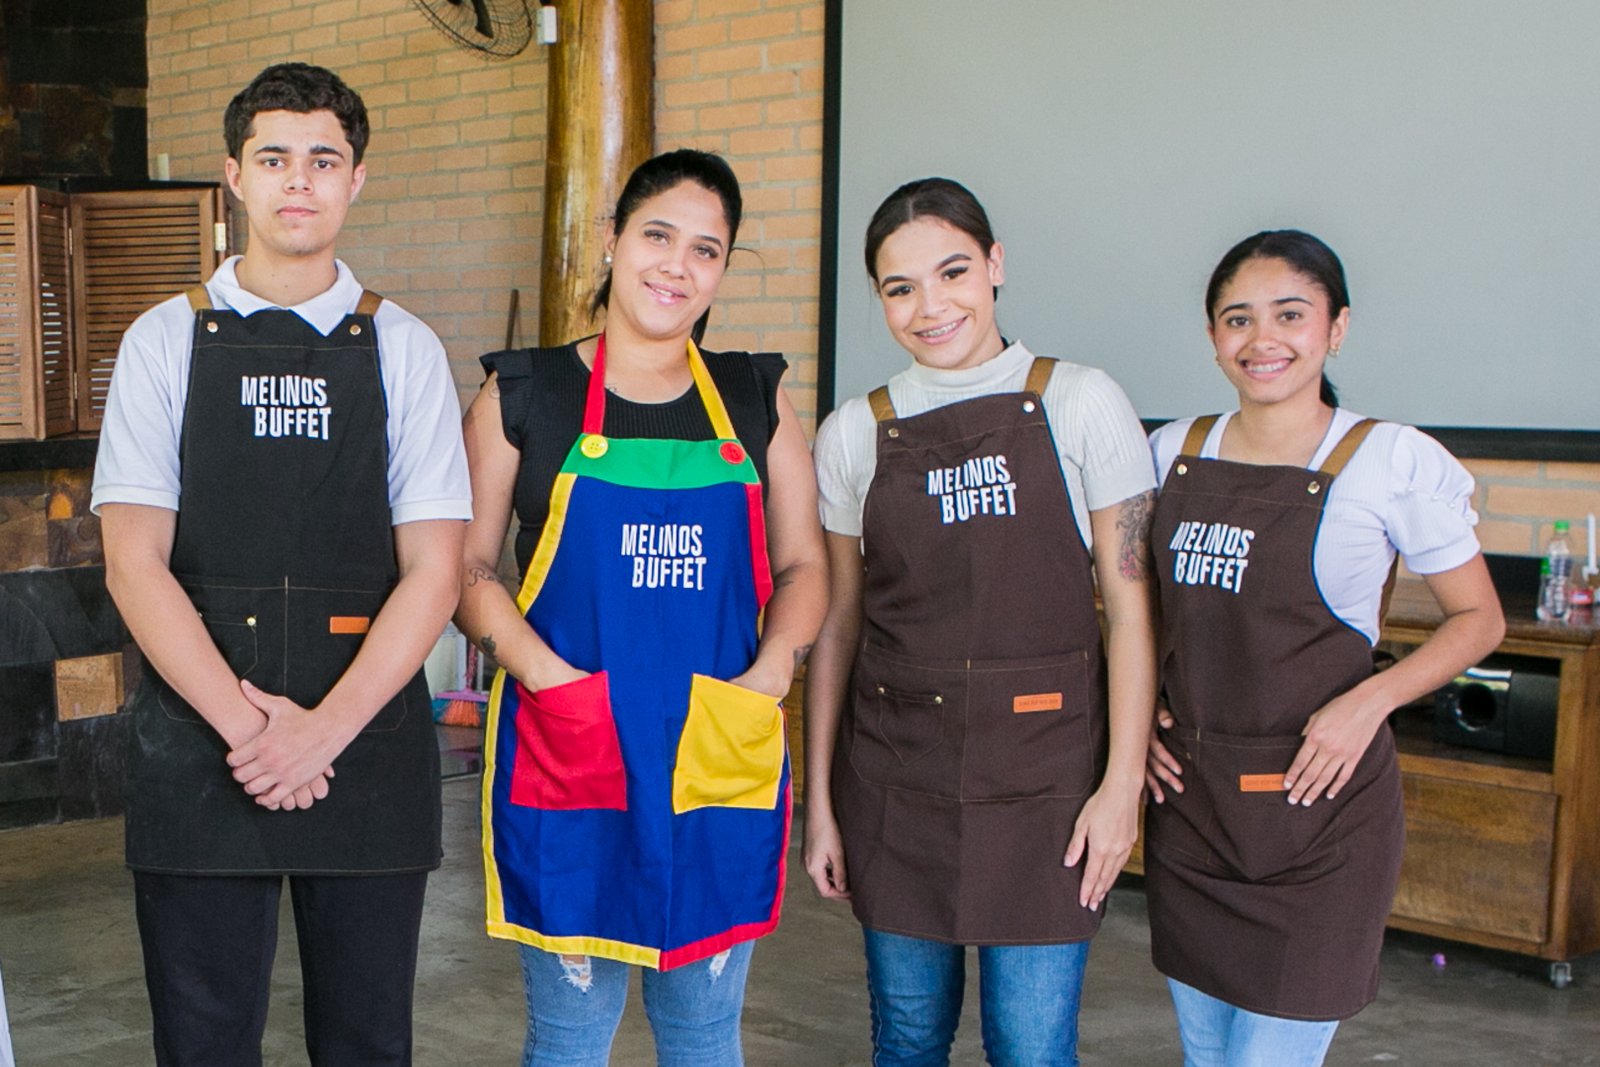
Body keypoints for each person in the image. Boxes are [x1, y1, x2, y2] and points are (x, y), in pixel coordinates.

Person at [93, 63, 470, 1066]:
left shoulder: (406, 348)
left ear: (356, 179)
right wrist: (254, 732)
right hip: (200, 747)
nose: (298, 180)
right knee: (203, 1044)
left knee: (367, 1042)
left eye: (323, 159)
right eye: (273, 158)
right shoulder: (161, 340)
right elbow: (133, 563)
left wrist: (321, 733)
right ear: (234, 175)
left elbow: (436, 570)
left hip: (367, 747)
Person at [456, 148, 827, 1066]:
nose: (677, 266)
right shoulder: (525, 392)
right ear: (612, 239)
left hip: (715, 745)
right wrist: (547, 677)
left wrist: (770, 673)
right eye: (658, 236)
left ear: (724, 268)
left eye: (706, 250)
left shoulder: (754, 396)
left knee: (703, 1035)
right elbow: (463, 567)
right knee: (570, 1038)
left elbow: (805, 564)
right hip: (571, 743)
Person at [804, 177, 1158, 1066]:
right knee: (907, 1038)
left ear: (995, 265)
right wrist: (821, 803)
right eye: (900, 288)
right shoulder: (853, 431)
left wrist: (1120, 788)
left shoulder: (1082, 400)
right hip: (897, 780)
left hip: (1047, 787)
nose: (931, 306)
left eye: (953, 272)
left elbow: (1129, 612)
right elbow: (840, 625)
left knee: (1030, 1047)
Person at [1142, 230, 1506, 1066]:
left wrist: (1367, 701)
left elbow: (1479, 619)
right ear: (1212, 337)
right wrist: (1142, 714)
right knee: (1208, 1057)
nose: (1261, 339)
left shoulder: (1389, 460)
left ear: (1336, 328)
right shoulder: (1172, 453)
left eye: (1290, 314)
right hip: (1193, 811)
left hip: (1321, 818)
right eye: (1238, 318)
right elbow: (1142, 613)